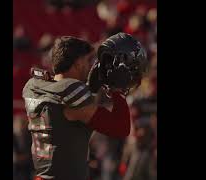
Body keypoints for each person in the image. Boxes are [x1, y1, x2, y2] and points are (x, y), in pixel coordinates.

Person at [22, 33, 147, 180]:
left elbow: (61, 104)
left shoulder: (34, 87)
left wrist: (90, 89)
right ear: (78, 63)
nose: (90, 65)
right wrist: (117, 91)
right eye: (87, 61)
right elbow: (121, 128)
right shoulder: (73, 95)